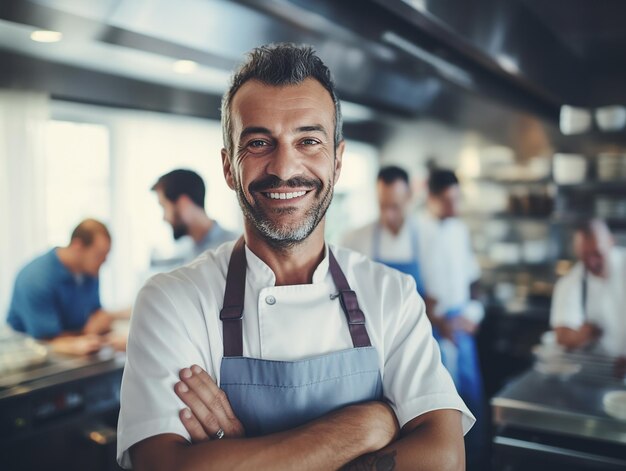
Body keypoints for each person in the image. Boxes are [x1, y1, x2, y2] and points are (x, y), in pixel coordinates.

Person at [118, 44, 474, 471]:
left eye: (308, 140)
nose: (285, 167)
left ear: (338, 161)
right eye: (258, 142)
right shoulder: (172, 302)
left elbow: (445, 459)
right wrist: (363, 426)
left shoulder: (391, 295)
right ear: (229, 166)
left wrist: (247, 454)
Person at [416, 168, 485, 468]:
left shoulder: (459, 230)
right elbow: (412, 286)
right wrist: (437, 320)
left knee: (472, 397)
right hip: (431, 327)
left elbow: (474, 278)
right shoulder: (415, 231)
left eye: (456, 199)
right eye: (447, 200)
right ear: (430, 198)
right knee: (442, 407)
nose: (454, 207)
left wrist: (474, 314)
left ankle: (479, 461)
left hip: (462, 324)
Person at [7, 219, 129, 355]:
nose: (104, 262)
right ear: (77, 246)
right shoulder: (35, 279)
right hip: (31, 359)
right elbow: (46, 338)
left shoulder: (90, 273)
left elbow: (95, 316)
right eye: (99, 255)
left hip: (79, 352)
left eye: (106, 256)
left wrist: (102, 326)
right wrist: (86, 333)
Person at [342, 165, 425, 296]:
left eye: (394, 206)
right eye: (383, 206)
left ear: (409, 196)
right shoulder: (354, 240)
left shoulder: (427, 236)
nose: (388, 215)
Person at [550, 219, 626, 358]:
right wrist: (583, 335)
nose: (592, 262)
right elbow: (562, 337)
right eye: (585, 255)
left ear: (611, 242)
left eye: (597, 253)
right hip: (595, 367)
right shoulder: (569, 284)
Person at [152, 169, 238, 262]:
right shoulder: (188, 252)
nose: (164, 218)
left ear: (183, 204)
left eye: (164, 207)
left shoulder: (235, 248)